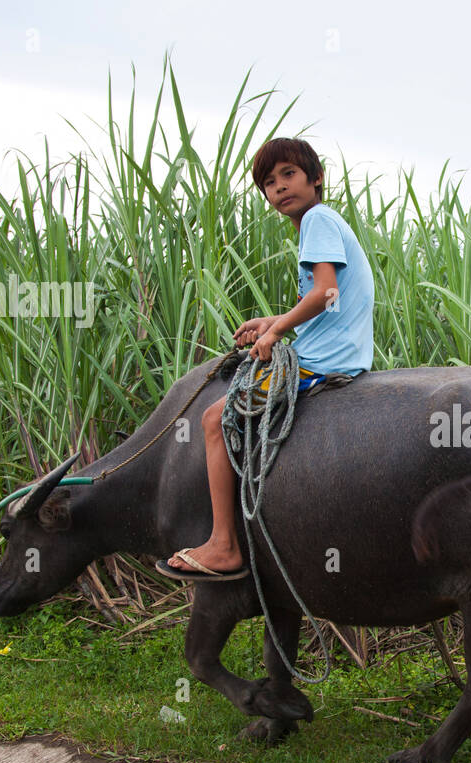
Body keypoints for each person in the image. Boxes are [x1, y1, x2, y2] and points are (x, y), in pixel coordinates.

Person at [159, 137, 375, 580]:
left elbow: (324, 292)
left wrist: (278, 332)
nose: (279, 187)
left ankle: (223, 544)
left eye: (289, 175)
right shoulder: (322, 223)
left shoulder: (316, 220)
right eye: (269, 182)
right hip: (332, 349)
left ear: (316, 178)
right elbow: (329, 301)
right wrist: (273, 320)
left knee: (216, 419)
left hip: (324, 360)